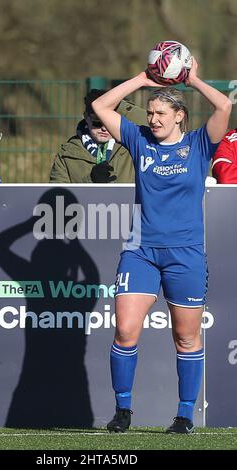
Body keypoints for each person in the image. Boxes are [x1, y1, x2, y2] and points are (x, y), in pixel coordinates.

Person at [92, 59, 231, 433]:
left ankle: (184, 415)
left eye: (160, 113)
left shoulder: (200, 143)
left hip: (185, 254)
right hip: (141, 251)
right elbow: (100, 108)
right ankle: (123, 411)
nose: (153, 119)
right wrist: (141, 78)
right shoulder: (137, 140)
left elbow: (224, 107)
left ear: (179, 116)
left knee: (186, 337)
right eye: (151, 112)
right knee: (125, 330)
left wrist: (193, 78)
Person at [49, 89, 147, 183]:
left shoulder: (132, 145)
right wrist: (91, 181)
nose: (104, 128)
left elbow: (149, 121)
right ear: (86, 117)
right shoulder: (67, 154)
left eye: (109, 122)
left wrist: (118, 103)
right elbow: (58, 196)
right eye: (97, 122)